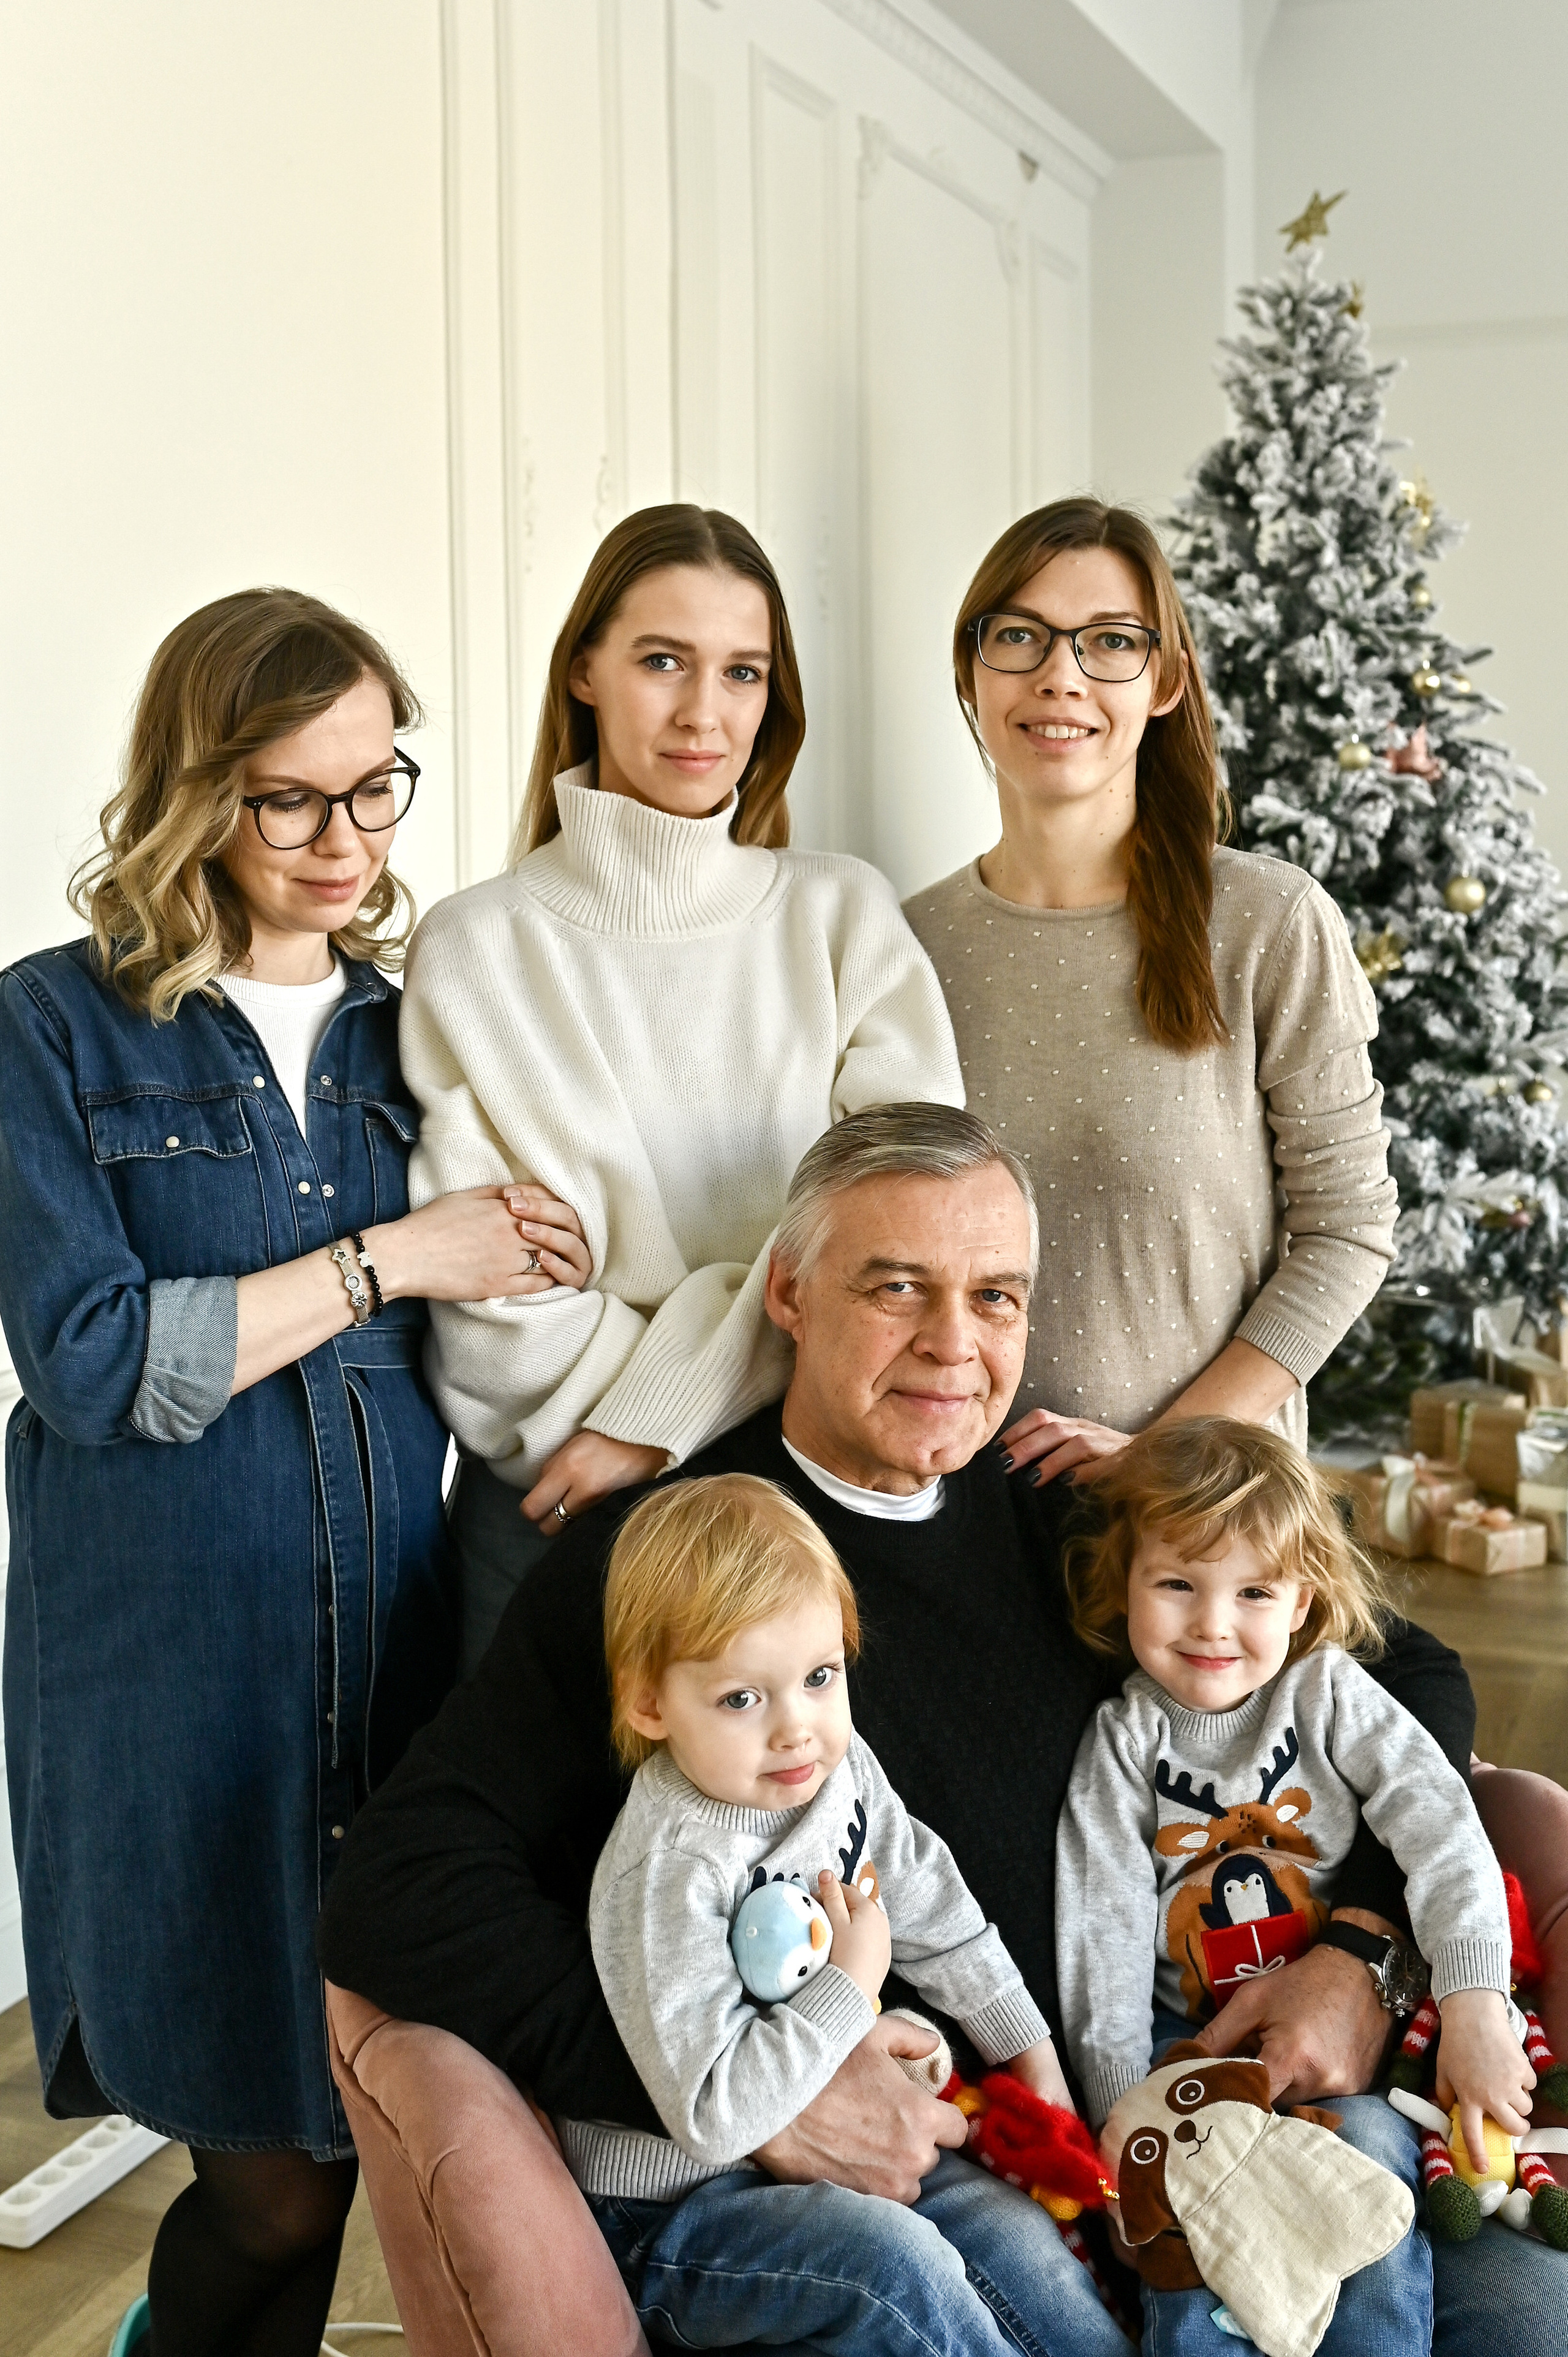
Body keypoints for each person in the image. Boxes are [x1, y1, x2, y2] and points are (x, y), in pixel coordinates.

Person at [317, 1105, 1553, 2351]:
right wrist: (749, 2097)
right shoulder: (675, 1561)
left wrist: (1361, 1954)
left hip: (1193, 2089)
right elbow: (402, 1882)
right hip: (945, 2170)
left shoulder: (1072, 1508)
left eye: (996, 1297)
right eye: (897, 1288)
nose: (953, 1345)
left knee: (1528, 2320)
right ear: (791, 1293)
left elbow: (1408, 1675)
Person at [0, 589, 590, 2357]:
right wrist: (393, 1260)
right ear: (197, 795)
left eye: (379, 788)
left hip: (398, 1674)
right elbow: (98, 1361)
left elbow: (538, 1295)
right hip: (169, 1686)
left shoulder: (422, 1035)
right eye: (293, 801)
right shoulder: (52, 1032)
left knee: (367, 2139)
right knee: (267, 2186)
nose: (349, 843)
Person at [399, 503, 962, 1671]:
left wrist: (652, 1422)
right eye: (664, 661)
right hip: (557, 1516)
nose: (706, 712)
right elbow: (496, 1317)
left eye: (742, 672)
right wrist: (759, 1305)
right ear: (587, 672)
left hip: (810, 1510)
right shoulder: (480, 947)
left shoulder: (841, 915)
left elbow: (907, 1259)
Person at [902, 497, 1397, 1490]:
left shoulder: (1266, 921)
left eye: (1110, 643)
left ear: (1165, 681)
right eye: (1020, 636)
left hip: (1203, 1523)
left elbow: (1348, 1231)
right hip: (970, 1516)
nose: (1060, 675)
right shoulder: (907, 944)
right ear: (971, 669)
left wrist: (1160, 1453)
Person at [576, 1471, 1120, 2357]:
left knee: (1012, 2231)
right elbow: (716, 2115)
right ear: (649, 1703)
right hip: (680, 2214)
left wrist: (1029, 2052)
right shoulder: (669, 1866)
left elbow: (929, 1895)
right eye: (742, 1699)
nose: (797, 1730)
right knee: (894, 2265)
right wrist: (850, 1984)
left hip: (813, 2169)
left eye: (821, 1677)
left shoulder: (837, 1769)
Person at [1057, 1418, 1532, 2355]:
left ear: (1302, 1596)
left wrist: (1477, 2004)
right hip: (1189, 2057)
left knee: (1362, 2194)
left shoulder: (1330, 1693)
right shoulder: (1122, 1744)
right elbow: (1100, 1933)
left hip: (1344, 2058)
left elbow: (1443, 1829)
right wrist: (1124, 2110)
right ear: (1126, 1587)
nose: (1213, 1624)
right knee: (1194, 2247)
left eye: (1254, 1591)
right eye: (1178, 1585)